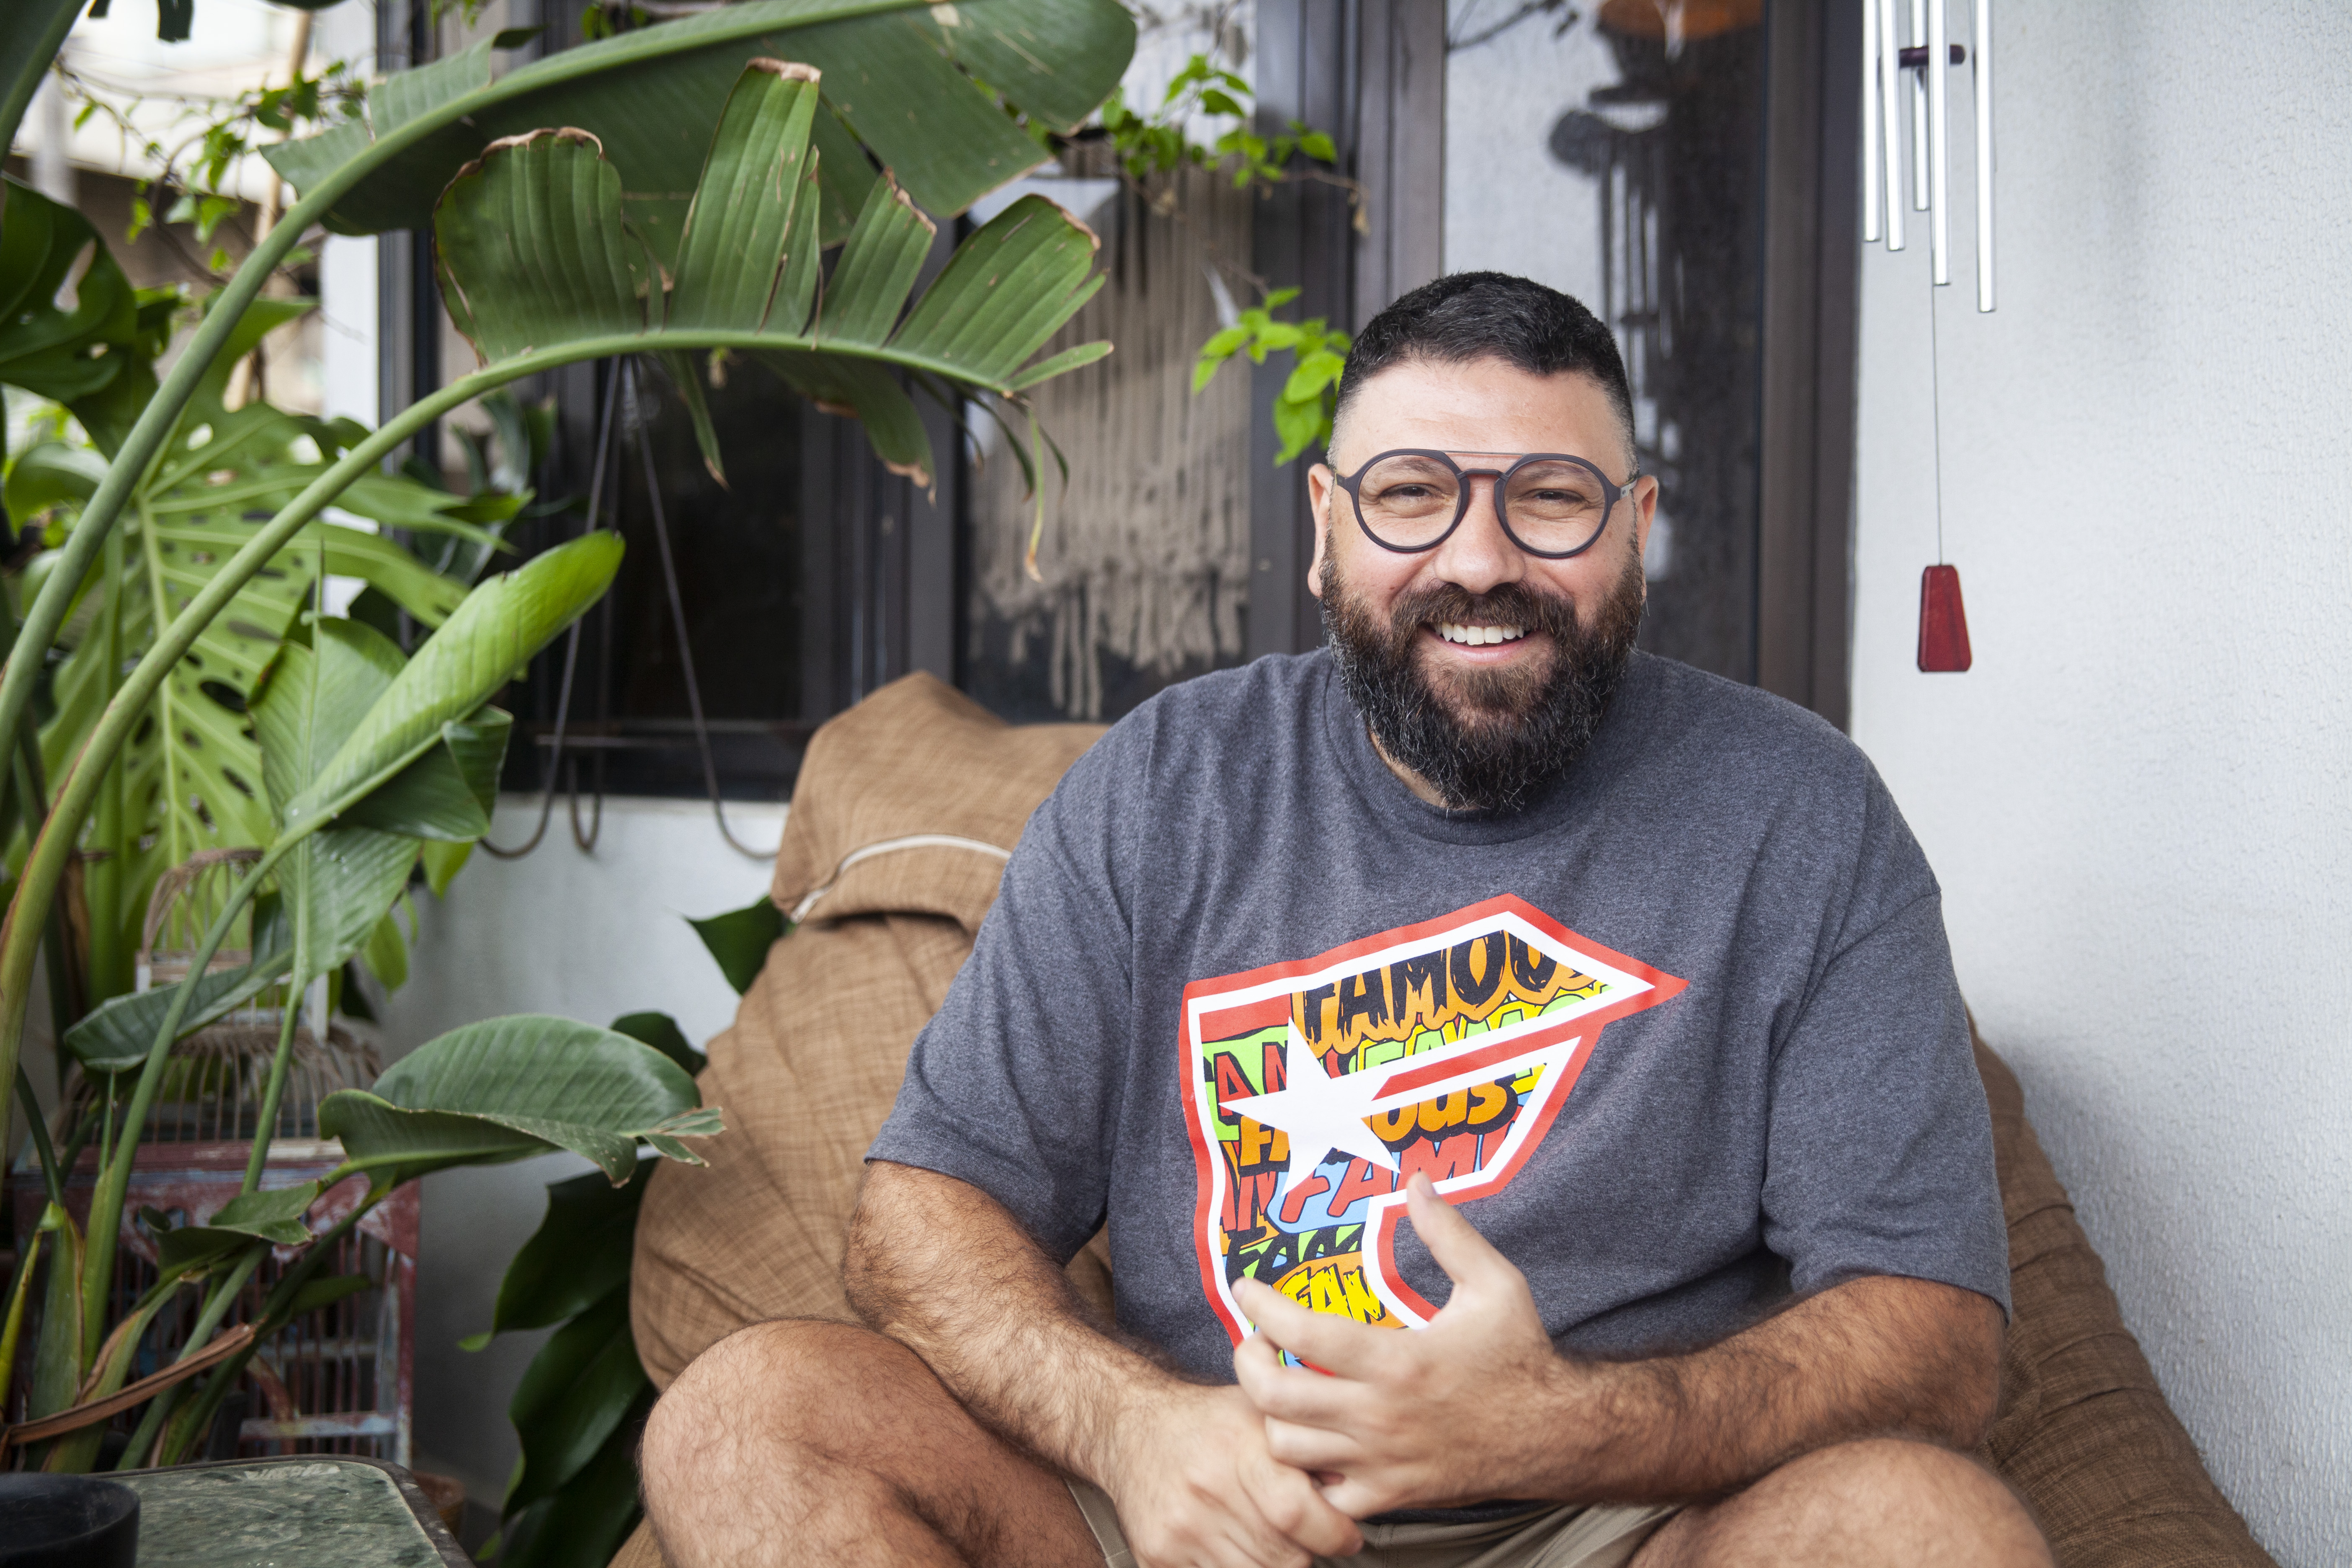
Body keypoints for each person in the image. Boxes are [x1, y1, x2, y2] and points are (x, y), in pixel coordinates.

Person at [639, 273, 2053, 1568]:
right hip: (1208, 1507)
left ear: (1636, 529)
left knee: (1928, 1532)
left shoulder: (1801, 812)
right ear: (1325, 529)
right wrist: (1137, 1435)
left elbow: (1933, 1335)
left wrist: (1560, 1427)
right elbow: (923, 1212)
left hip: (1614, 1520)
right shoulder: (1163, 784)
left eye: (1552, 498)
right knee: (743, 1423)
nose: (1479, 560)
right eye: (1412, 494)